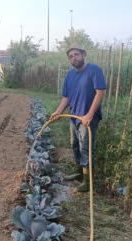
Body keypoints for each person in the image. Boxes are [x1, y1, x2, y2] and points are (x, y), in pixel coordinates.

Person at [50, 44, 106, 192]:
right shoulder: (70, 75)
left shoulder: (94, 70)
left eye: (76, 54)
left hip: (87, 118)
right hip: (73, 117)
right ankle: (79, 172)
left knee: (85, 148)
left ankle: (88, 182)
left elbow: (100, 92)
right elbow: (66, 97)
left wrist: (89, 114)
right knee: (74, 145)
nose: (74, 58)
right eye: (71, 56)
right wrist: (58, 111)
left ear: (83, 54)